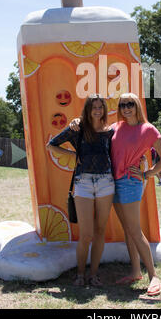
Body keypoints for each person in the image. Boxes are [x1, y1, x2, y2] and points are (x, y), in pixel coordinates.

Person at [70, 93, 161, 296]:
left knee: (134, 229)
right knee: (127, 229)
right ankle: (135, 272)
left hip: (129, 183)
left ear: (137, 106)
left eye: (130, 104)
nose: (126, 108)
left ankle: (153, 276)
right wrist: (76, 121)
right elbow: (95, 128)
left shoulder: (148, 129)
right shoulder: (116, 127)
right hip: (110, 182)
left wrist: (147, 173)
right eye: (123, 104)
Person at [46, 94, 115, 287]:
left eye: (101, 107)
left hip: (106, 183)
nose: (98, 111)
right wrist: (73, 154)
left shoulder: (110, 131)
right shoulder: (77, 128)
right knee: (85, 234)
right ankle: (80, 274)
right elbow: (51, 145)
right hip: (83, 182)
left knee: (100, 230)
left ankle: (93, 274)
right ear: (87, 109)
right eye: (94, 107)